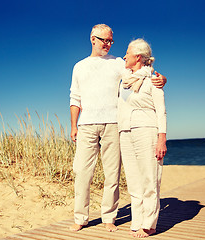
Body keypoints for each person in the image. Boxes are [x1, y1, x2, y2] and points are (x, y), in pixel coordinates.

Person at [69, 24, 166, 232]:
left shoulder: (117, 64)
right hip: (86, 124)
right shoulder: (79, 66)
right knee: (83, 173)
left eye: (111, 41)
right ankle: (80, 217)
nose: (109, 44)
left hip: (114, 123)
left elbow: (141, 72)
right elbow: (74, 98)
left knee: (112, 174)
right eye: (105, 40)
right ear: (93, 39)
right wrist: (73, 126)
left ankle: (109, 217)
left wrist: (161, 78)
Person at [118, 38, 167, 238]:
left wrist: (161, 139)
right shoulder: (124, 80)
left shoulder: (153, 80)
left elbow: (162, 111)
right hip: (125, 132)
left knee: (149, 179)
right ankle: (137, 220)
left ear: (137, 57)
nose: (124, 56)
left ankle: (149, 224)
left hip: (147, 131)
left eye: (127, 53)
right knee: (133, 180)